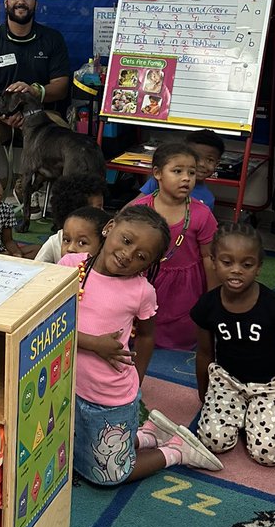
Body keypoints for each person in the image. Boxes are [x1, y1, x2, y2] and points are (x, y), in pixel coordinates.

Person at [59, 204, 222, 485]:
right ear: (109, 228)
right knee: (70, 455)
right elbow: (49, 323)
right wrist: (92, 344)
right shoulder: (71, 266)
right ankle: (145, 435)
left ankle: (174, 451)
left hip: (107, 398)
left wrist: (138, 379)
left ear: (148, 265)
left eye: (141, 256)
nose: (127, 255)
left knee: (107, 477)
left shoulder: (141, 292)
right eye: (126, 240)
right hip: (65, 384)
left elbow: (146, 336)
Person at [191, 223, 275, 466]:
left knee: (267, 454)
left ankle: (261, 415)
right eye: (227, 262)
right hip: (228, 382)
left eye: (246, 265)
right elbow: (204, 353)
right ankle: (245, 414)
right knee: (212, 441)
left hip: (271, 385)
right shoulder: (207, 305)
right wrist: (204, 393)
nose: (236, 271)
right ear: (214, 261)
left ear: (258, 268)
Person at [0, 0, 70, 168]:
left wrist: (33, 91)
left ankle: (53, 195)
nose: (21, 1)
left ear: (35, 3)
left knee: (64, 137)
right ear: (6, 2)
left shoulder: (53, 39)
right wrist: (7, 114)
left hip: (41, 113)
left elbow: (61, 87)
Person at [131, 141, 217, 350]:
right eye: (177, 171)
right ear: (158, 174)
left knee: (183, 332)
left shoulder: (201, 213)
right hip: (145, 279)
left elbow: (208, 257)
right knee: (141, 325)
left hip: (185, 285)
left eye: (192, 172)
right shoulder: (139, 209)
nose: (186, 178)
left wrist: (213, 297)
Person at [139, 129, 224, 208]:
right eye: (196, 157)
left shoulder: (207, 199)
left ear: (217, 164)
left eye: (210, 160)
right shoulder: (160, 180)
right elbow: (132, 207)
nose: (201, 164)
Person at [34, 173, 107, 263]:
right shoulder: (55, 241)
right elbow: (37, 267)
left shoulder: (105, 240)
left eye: (82, 242)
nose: (70, 248)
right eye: (98, 208)